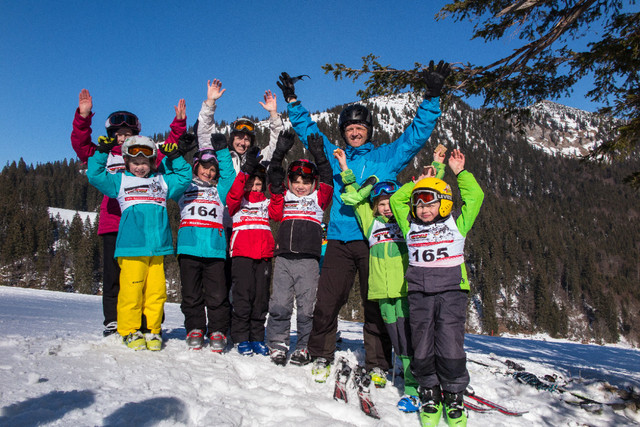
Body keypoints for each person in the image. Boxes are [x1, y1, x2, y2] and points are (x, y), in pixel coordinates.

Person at [276, 60, 451, 384]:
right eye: (349, 128)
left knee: (376, 304)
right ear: (343, 132)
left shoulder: (387, 156)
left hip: (377, 240)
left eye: (360, 128)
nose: (354, 132)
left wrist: (432, 96)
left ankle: (379, 362)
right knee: (327, 301)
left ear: (369, 130)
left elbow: (416, 135)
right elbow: (310, 133)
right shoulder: (335, 154)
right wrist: (293, 102)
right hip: (341, 239)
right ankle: (321, 353)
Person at [335, 145, 446, 412]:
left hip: (405, 289)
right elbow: (353, 197)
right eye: (381, 204)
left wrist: (437, 168)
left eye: (389, 203)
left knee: (409, 339)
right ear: (375, 206)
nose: (386, 208)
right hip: (381, 292)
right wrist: (344, 169)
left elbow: (433, 200)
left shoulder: (407, 222)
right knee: (398, 339)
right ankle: (412, 378)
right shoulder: (370, 222)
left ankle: (414, 384)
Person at [71, 89, 186, 337]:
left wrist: (178, 124)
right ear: (112, 136)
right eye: (118, 134)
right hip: (114, 222)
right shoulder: (105, 154)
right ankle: (114, 320)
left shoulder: (142, 157)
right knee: (114, 277)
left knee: (148, 278)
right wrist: (83, 116)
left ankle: (148, 322)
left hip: (145, 226)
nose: (122, 138)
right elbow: (81, 145)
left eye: (127, 134)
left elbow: (166, 150)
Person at [389, 149, 484, 427]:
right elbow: (397, 200)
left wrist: (460, 173)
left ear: (443, 204)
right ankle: (429, 392)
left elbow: (475, 197)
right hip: (419, 293)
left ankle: (454, 395)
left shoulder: (457, 223)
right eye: (418, 204)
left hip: (452, 292)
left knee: (450, 343)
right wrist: (419, 181)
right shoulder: (409, 226)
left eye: (429, 203)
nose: (423, 208)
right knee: (422, 344)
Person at [265, 132, 333, 366]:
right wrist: (279, 154)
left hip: (309, 261)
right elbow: (274, 209)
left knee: (307, 307)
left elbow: (327, 177)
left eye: (306, 182)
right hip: (283, 258)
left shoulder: (319, 197)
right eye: (296, 181)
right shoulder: (283, 197)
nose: (301, 186)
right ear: (289, 182)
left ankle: (304, 345)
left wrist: (319, 155)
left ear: (313, 183)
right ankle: (277, 343)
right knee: (280, 304)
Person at [175, 132, 236, 352]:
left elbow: (230, 177)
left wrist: (222, 152)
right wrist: (178, 152)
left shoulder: (219, 191)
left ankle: (218, 330)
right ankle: (195, 328)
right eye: (204, 167)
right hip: (189, 248)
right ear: (195, 166)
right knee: (191, 293)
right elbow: (167, 174)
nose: (208, 173)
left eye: (212, 170)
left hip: (215, 251)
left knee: (218, 294)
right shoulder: (183, 187)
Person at [225, 146, 283, 356]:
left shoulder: (266, 203)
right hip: (242, 255)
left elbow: (277, 214)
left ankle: (257, 337)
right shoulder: (238, 201)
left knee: (260, 299)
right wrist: (245, 172)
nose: (255, 188)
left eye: (259, 184)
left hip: (264, 255)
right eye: (252, 184)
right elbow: (232, 195)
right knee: (242, 297)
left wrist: (276, 189)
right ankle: (241, 337)